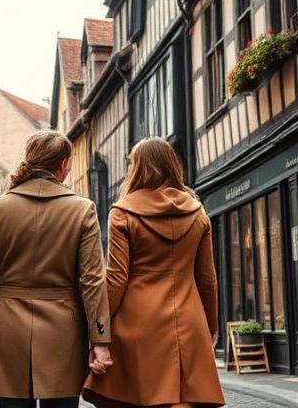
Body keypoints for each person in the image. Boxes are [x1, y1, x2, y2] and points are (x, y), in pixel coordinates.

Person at [0, 130, 113, 408]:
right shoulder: (82, 209)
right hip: (63, 331)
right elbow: (93, 281)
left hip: (8, 327)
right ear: (63, 165)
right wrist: (100, 340)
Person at [83, 137, 225, 408]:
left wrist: (99, 331)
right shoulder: (197, 213)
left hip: (136, 323)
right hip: (188, 320)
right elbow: (207, 279)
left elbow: (116, 278)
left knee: (137, 398)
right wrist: (211, 327)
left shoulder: (123, 212)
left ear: (136, 168)